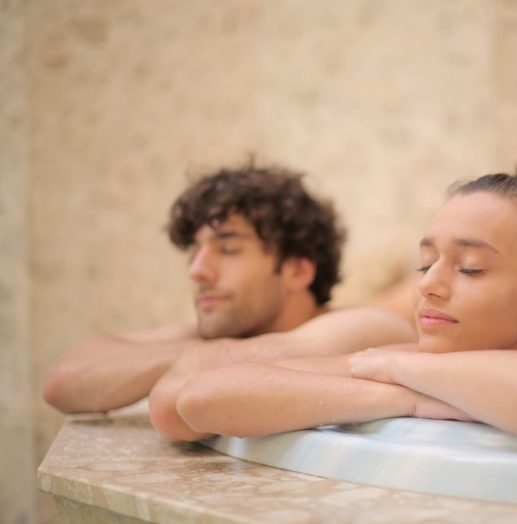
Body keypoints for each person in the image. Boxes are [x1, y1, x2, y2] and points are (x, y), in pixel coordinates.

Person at [149, 137, 517, 442]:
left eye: (468, 269)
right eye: (426, 264)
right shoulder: (395, 365)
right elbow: (193, 400)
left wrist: (394, 371)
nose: (430, 287)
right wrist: (403, 396)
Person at [43, 162, 416, 414]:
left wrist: (200, 354)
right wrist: (203, 350)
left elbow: (202, 371)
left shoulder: (364, 327)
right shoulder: (231, 331)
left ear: (297, 271)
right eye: (196, 250)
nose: (198, 270)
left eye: (229, 248)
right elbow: (63, 383)